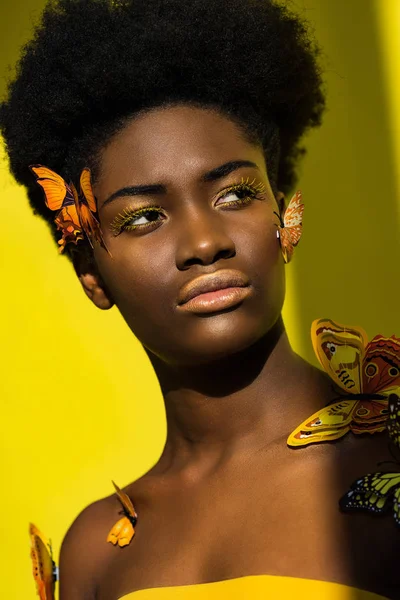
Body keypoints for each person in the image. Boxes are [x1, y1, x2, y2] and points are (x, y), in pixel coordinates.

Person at [1, 0, 399, 598]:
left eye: (235, 195)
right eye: (144, 217)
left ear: (284, 217)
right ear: (92, 276)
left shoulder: (388, 467)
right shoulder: (95, 551)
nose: (205, 242)